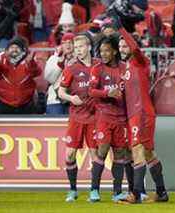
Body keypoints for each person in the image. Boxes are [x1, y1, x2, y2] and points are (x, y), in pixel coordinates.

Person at [116, 15, 169, 204]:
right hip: (133, 115)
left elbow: (136, 48)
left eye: (125, 46)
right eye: (120, 46)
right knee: (147, 153)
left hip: (142, 113)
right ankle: (162, 193)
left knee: (137, 150)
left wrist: (121, 29)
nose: (122, 49)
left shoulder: (141, 61)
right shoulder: (125, 68)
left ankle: (136, 194)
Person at [58, 34, 99, 202]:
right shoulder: (71, 68)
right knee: (69, 154)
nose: (78, 51)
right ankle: (73, 189)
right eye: (75, 48)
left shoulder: (99, 65)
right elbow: (60, 91)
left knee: (95, 155)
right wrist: (71, 98)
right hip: (76, 116)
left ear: (89, 47)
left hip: (95, 117)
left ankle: (94, 190)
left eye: (81, 47)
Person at [88, 35, 127, 202]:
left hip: (121, 117)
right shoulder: (97, 69)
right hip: (104, 116)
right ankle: (94, 190)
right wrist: (107, 93)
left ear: (115, 51)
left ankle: (117, 192)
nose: (103, 54)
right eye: (101, 51)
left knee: (119, 154)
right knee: (102, 151)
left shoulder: (124, 68)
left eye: (106, 50)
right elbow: (91, 91)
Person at [0, 36, 41, 114]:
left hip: (26, 104)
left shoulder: (29, 57)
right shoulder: (2, 57)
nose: (14, 50)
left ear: (23, 50)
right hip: (4, 103)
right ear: (7, 50)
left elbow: (36, 73)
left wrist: (31, 63)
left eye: (17, 47)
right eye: (12, 47)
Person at [44, 32, 75, 115]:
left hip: (74, 100)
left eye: (71, 42)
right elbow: (49, 78)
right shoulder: (53, 58)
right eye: (65, 43)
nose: (68, 45)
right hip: (55, 100)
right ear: (61, 45)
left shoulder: (81, 59)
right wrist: (60, 65)